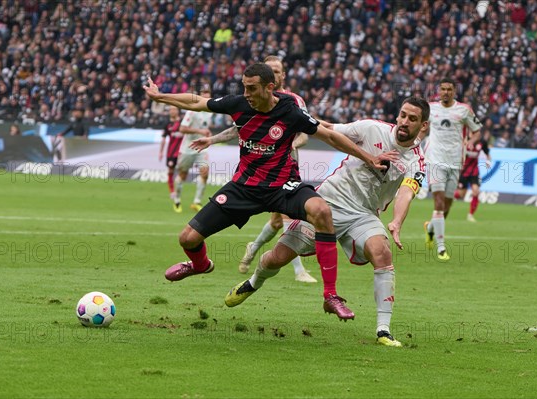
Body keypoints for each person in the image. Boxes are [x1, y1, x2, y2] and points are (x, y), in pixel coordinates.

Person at [143, 62, 388, 320]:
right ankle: (200, 266)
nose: (246, 93)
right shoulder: (237, 104)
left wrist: (368, 157)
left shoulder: (290, 110)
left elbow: (328, 136)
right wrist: (161, 96)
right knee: (187, 239)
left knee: (321, 211)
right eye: (244, 87)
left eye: (252, 88)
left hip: (282, 186)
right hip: (244, 187)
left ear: (270, 87)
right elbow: (198, 102)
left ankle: (330, 296)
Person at [224, 96, 430, 347]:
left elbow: (407, 192)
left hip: (363, 215)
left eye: (412, 119)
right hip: (327, 204)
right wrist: (300, 119)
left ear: (423, 126)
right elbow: (330, 129)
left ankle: (383, 330)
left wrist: (397, 221)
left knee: (382, 252)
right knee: (277, 257)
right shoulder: (371, 128)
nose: (404, 122)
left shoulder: (417, 162)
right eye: (403, 115)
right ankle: (252, 283)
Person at [194, 56, 317, 283]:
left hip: (286, 168)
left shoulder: (294, 101)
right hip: (259, 171)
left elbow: (305, 133)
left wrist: (289, 144)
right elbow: (238, 129)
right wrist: (212, 139)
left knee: (279, 221)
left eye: (278, 71)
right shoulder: (250, 101)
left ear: (282, 76)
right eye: (271, 70)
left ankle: (254, 248)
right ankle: (297, 269)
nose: (275, 73)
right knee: (283, 219)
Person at [420, 78, 482, 260]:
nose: (445, 92)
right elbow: (423, 128)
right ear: (439, 91)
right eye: (443, 89)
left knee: (447, 206)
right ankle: (441, 248)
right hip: (435, 160)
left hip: (455, 161)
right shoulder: (431, 108)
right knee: (438, 203)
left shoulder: (464, 110)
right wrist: (416, 140)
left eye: (449, 89)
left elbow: (477, 130)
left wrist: (469, 142)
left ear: (454, 91)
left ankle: (430, 228)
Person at [175, 86, 213, 212]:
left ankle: (196, 202)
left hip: (201, 148)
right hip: (188, 148)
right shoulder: (192, 111)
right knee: (183, 174)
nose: (206, 96)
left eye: (208, 93)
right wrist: (200, 131)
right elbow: (182, 129)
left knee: (205, 172)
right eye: (204, 93)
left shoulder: (210, 112)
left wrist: (207, 134)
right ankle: (177, 200)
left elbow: (205, 127)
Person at [454, 130, 491, 222]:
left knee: (476, 191)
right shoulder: (464, 140)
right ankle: (449, 196)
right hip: (464, 171)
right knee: (461, 194)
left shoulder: (482, 142)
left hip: (474, 172)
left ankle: (470, 215)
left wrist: (488, 161)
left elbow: (487, 154)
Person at [158, 106, 184, 212]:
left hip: (182, 153)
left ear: (178, 111)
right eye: (170, 110)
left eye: (174, 109)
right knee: (171, 171)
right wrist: (161, 152)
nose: (172, 111)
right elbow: (163, 139)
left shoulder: (183, 123)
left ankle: (177, 193)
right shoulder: (167, 124)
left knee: (182, 172)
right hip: (171, 153)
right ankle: (172, 192)